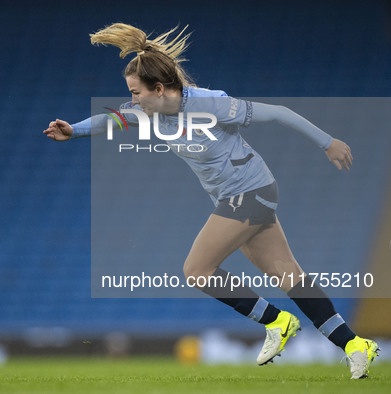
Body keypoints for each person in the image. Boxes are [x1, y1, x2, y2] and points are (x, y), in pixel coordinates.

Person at [43, 23, 379, 378]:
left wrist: (328, 142)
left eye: (136, 92)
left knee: (197, 270)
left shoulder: (211, 104)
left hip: (251, 193)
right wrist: (74, 130)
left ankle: (277, 322)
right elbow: (112, 118)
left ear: (159, 89)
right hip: (238, 196)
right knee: (289, 276)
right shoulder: (151, 110)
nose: (133, 99)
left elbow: (278, 112)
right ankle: (356, 345)